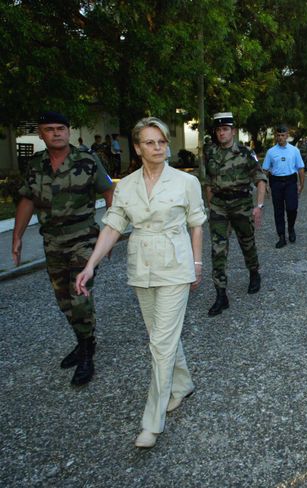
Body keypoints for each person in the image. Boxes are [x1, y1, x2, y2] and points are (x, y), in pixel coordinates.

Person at [75, 117, 206, 449]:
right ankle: (183, 384)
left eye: (162, 141)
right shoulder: (127, 186)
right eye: (150, 142)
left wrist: (197, 262)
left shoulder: (185, 182)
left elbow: (196, 225)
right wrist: (90, 265)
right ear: (137, 147)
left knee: (160, 343)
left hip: (176, 267)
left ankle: (152, 421)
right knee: (160, 334)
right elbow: (113, 226)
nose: (158, 147)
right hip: (141, 267)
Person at [12, 111, 114, 386]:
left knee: (79, 296)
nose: (56, 133)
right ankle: (85, 341)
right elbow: (27, 200)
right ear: (41, 134)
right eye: (49, 129)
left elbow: (109, 193)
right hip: (52, 242)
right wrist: (17, 236)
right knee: (64, 301)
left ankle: (86, 354)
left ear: (68, 131)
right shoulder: (34, 165)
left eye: (60, 128)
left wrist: (110, 234)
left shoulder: (88, 160)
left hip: (84, 241)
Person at [203, 112, 268, 317]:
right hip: (219, 206)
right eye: (219, 130)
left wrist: (259, 205)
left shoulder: (245, 153)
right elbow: (209, 183)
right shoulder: (210, 153)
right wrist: (210, 205)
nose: (222, 133)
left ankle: (254, 272)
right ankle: (221, 295)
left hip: (241, 204)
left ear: (233, 131)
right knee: (218, 249)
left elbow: (260, 179)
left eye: (225, 129)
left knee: (247, 242)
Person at [262, 124, 305, 248]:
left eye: (283, 135)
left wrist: (301, 185)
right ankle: (281, 236)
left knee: (292, 208)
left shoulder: (294, 150)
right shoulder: (271, 152)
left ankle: (291, 228)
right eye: (278, 135)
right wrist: (265, 185)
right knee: (278, 210)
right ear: (276, 136)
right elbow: (265, 170)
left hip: (291, 181)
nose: (280, 138)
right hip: (276, 182)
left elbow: (301, 168)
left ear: (287, 136)